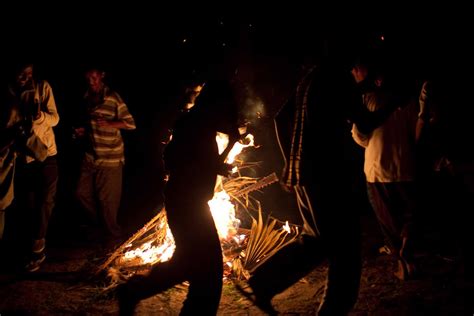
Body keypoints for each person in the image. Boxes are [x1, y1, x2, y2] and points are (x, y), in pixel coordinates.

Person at [117, 79, 241, 316]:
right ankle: (134, 291)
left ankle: (134, 290)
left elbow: (203, 162)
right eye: (226, 105)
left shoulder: (200, 123)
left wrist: (227, 149)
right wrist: (215, 159)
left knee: (188, 264)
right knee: (208, 274)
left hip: (189, 202)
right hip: (187, 205)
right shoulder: (194, 124)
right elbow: (174, 158)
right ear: (217, 104)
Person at [351, 57, 419, 281]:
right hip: (406, 167)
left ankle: (401, 263)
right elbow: (415, 134)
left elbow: (360, 136)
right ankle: (408, 243)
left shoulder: (368, 100)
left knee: (388, 221)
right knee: (409, 214)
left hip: (378, 169)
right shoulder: (408, 103)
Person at [4, 63, 60, 272]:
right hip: (22, 158)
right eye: (21, 73)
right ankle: (24, 249)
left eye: (29, 74)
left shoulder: (42, 87)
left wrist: (39, 117)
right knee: (26, 204)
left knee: (45, 202)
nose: (25, 78)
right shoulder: (8, 92)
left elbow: (55, 118)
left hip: (47, 154)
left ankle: (38, 249)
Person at [74, 67, 136, 248]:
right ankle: (101, 227)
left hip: (110, 157)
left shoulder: (113, 98)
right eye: (88, 77)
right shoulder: (86, 97)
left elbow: (130, 124)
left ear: (102, 75)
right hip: (91, 155)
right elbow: (91, 123)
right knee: (81, 193)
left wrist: (111, 123)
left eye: (94, 77)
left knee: (107, 201)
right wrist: (82, 132)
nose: (91, 81)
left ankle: (114, 237)